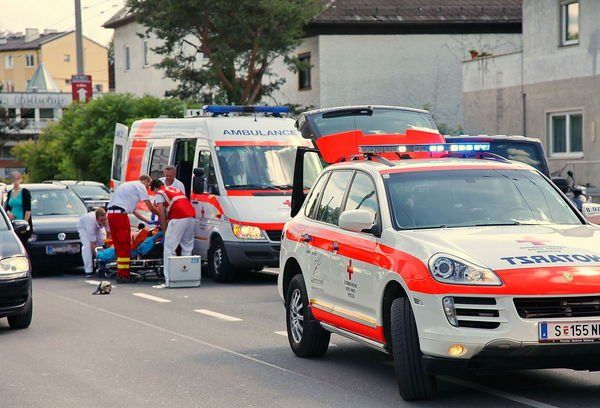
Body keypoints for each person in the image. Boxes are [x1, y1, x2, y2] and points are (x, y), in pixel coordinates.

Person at [107, 175, 158, 283]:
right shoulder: (140, 186)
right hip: (120, 216)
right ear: (145, 181)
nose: (148, 188)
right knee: (125, 245)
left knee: (118, 245)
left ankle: (121, 273)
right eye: (149, 185)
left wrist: (147, 221)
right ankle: (124, 276)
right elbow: (150, 206)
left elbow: (134, 211)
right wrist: (162, 216)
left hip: (111, 215)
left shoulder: (127, 186)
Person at [150, 179, 195, 288]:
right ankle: (186, 278)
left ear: (155, 188)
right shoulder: (174, 189)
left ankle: (170, 280)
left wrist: (164, 231)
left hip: (178, 217)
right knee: (187, 247)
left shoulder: (159, 193)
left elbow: (161, 214)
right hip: (191, 216)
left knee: (169, 248)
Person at [78, 208, 110, 278]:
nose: (104, 222)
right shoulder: (90, 224)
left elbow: (109, 235)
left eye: (105, 219)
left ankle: (105, 265)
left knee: (102, 241)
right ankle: (88, 270)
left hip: (98, 226)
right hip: (84, 227)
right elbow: (93, 244)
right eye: (102, 220)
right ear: (97, 219)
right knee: (87, 246)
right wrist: (99, 256)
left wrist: (108, 251)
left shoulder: (107, 220)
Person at [4, 171, 32, 242]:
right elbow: (7, 208)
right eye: (13, 179)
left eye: (17, 179)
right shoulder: (10, 192)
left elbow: (28, 210)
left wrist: (24, 224)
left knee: (23, 242)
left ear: (20, 180)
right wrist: (8, 213)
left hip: (22, 221)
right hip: (12, 222)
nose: (15, 181)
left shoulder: (25, 192)